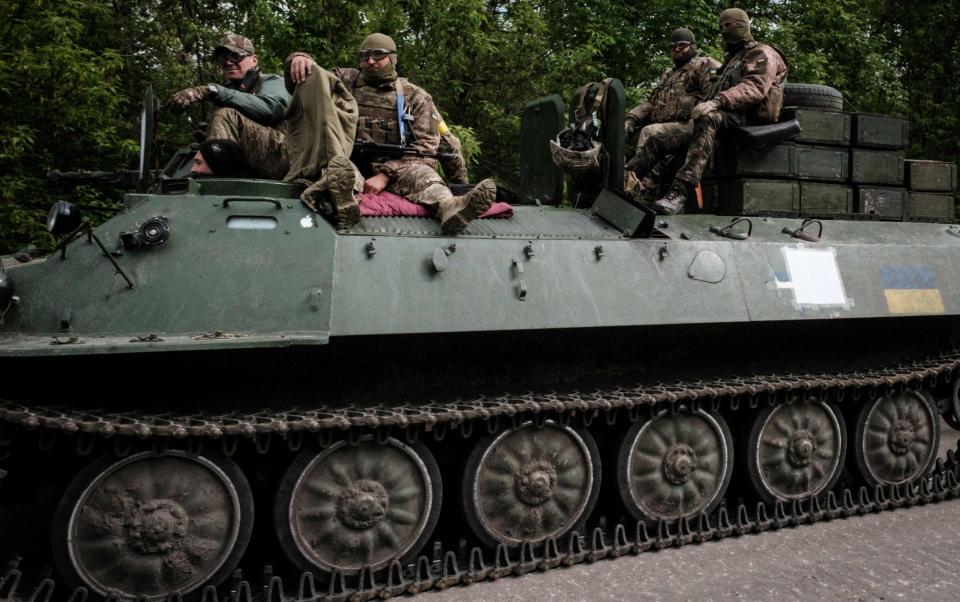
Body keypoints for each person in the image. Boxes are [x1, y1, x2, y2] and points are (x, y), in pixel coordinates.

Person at [284, 33, 495, 233]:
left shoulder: (416, 97)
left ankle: (452, 208)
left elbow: (426, 147)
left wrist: (385, 175)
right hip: (349, 159)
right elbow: (311, 80)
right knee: (341, 174)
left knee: (426, 177)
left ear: (393, 58)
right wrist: (300, 59)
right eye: (365, 56)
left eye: (378, 55)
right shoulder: (344, 80)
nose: (371, 61)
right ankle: (346, 205)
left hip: (399, 168)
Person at [632, 9, 788, 214]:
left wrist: (716, 102)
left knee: (708, 118)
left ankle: (680, 193)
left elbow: (755, 88)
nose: (724, 31)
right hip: (726, 117)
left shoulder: (763, 53)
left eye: (729, 25)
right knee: (657, 138)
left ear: (744, 25)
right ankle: (627, 185)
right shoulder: (733, 59)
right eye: (721, 26)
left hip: (748, 118)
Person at [166, 34, 291, 179]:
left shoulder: (272, 81)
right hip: (249, 160)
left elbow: (271, 109)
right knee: (216, 123)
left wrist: (210, 90)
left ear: (254, 60)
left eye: (236, 56)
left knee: (225, 114)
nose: (228, 62)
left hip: (282, 158)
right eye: (223, 58)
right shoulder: (228, 91)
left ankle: (218, 182)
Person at [623, 28, 720, 200]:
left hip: (691, 126)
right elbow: (651, 102)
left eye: (682, 45)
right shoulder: (669, 73)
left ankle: (643, 192)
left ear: (693, 46)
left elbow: (712, 97)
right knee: (623, 138)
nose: (677, 50)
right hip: (664, 125)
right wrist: (631, 118)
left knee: (650, 132)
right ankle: (617, 184)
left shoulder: (704, 65)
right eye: (673, 46)